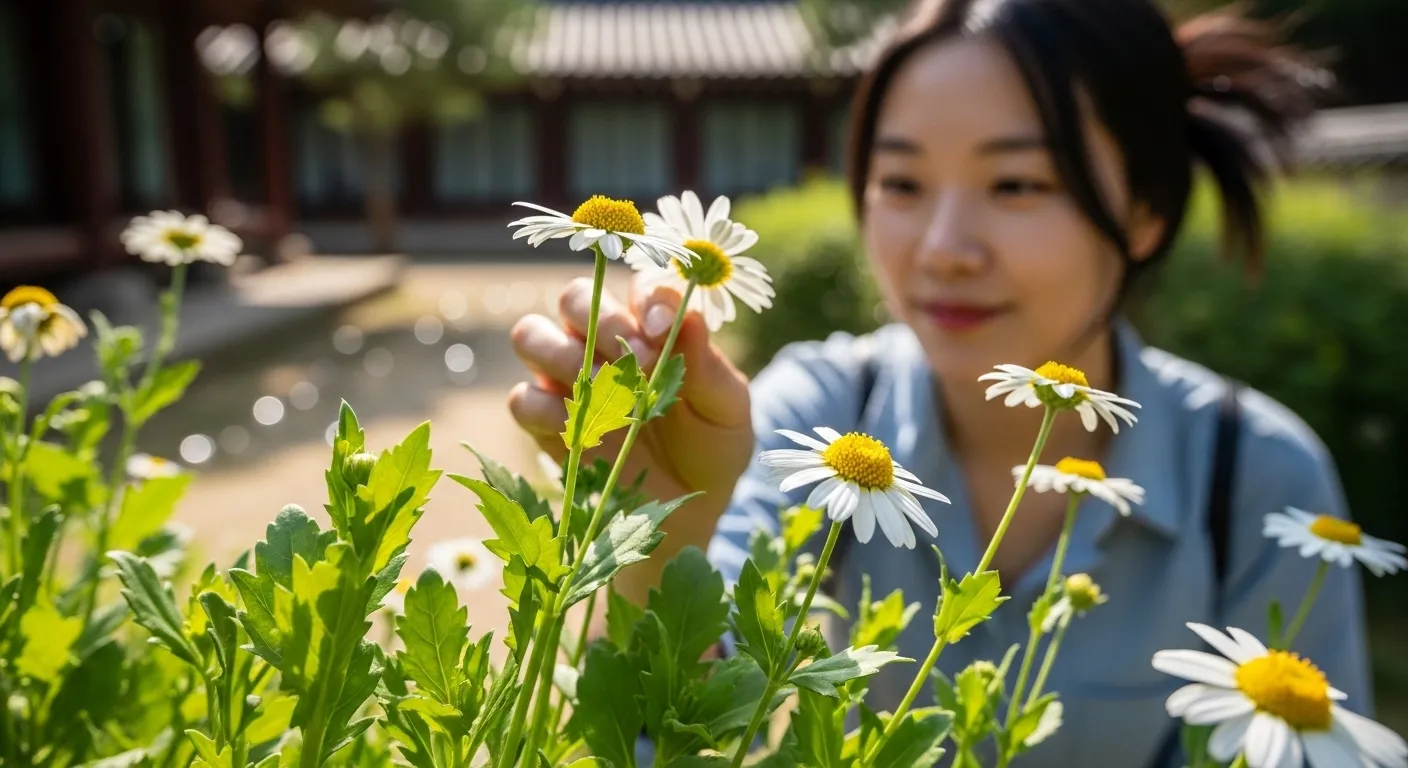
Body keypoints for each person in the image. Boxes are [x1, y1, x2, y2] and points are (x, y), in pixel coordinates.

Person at [506, 0, 1373, 764]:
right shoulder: (818, 413)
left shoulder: (1255, 478)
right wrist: (668, 530)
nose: (942, 248)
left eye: (1016, 183)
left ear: (1145, 210)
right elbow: (676, 732)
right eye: (902, 182)